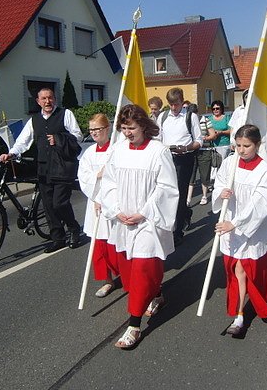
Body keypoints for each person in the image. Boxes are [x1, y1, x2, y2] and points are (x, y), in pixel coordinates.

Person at [101, 104, 179, 349]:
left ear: (144, 126)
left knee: (143, 269)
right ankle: (157, 295)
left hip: (148, 220)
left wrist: (144, 212)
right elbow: (109, 184)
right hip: (124, 219)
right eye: (124, 128)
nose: (127, 133)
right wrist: (116, 210)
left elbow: (166, 187)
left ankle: (134, 326)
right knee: (128, 270)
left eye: (132, 128)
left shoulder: (158, 151)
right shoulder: (117, 150)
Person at [212, 124, 267, 336]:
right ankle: (240, 314)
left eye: (246, 146)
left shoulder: (264, 170)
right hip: (231, 221)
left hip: (252, 226)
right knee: (237, 269)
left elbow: (260, 202)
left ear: (257, 145)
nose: (241, 150)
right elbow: (220, 182)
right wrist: (221, 192)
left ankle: (241, 315)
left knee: (243, 267)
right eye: (238, 145)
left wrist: (237, 223)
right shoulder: (230, 162)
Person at [0, 88, 83, 252]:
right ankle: (58, 238)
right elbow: (23, 141)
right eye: (43, 99)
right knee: (49, 206)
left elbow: (78, 136)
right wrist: (11, 153)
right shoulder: (34, 120)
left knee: (60, 203)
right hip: (44, 168)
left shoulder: (65, 114)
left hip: (63, 167)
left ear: (54, 99)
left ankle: (73, 229)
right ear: (38, 102)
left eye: (50, 98)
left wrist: (58, 138)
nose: (47, 101)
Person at [78, 113, 118, 298]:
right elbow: (84, 177)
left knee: (116, 242)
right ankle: (107, 280)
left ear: (107, 129)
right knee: (99, 244)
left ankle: (126, 275)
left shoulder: (116, 150)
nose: (93, 132)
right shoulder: (88, 153)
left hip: (114, 203)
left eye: (97, 129)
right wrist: (97, 179)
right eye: (91, 129)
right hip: (95, 203)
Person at [157, 87, 203, 245]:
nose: (173, 107)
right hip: (167, 159)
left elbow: (199, 141)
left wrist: (186, 148)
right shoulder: (163, 116)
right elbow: (158, 138)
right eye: (170, 104)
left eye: (176, 104)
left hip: (184, 158)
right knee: (166, 193)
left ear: (182, 102)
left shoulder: (191, 117)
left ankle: (177, 232)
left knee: (179, 194)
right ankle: (185, 213)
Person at [187, 104, 217, 206]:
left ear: (197, 113)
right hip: (192, 150)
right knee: (191, 175)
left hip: (204, 150)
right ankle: (188, 198)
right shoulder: (187, 121)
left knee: (204, 174)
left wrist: (204, 138)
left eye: (194, 114)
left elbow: (213, 135)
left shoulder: (205, 120)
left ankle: (204, 196)